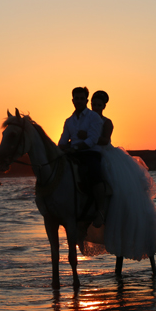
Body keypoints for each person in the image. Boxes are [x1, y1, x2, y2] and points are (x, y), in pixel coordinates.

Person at [80, 90, 156, 261]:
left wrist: (88, 138)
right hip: (89, 152)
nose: (95, 107)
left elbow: (105, 140)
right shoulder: (86, 118)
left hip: (107, 155)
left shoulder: (107, 122)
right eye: (93, 105)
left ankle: (106, 211)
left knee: (118, 189)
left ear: (104, 106)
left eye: (99, 105)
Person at [57, 86, 107, 226]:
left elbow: (92, 140)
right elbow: (62, 142)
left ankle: (101, 211)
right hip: (73, 152)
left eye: (81, 98)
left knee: (94, 173)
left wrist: (75, 147)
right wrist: (61, 149)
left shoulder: (93, 117)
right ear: (72, 100)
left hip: (90, 152)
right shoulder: (69, 121)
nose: (79, 101)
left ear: (86, 100)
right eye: (76, 98)